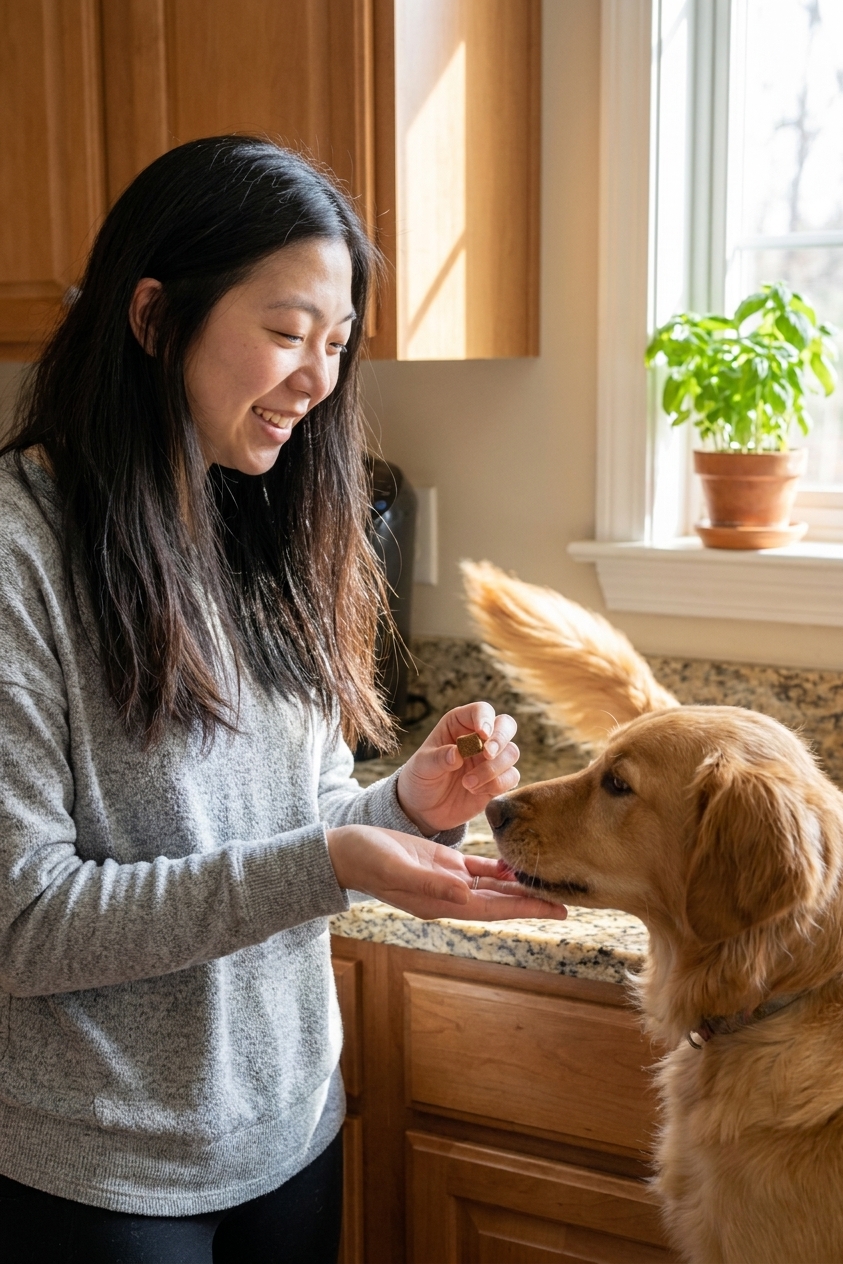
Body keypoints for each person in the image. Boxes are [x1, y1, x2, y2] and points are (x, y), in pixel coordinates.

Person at [0, 136, 564, 1263]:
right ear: (155, 318)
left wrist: (402, 805)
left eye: (339, 342)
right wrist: (332, 861)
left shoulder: (270, 533)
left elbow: (296, 830)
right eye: (286, 332)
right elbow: (24, 921)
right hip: (93, 1177)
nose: (320, 378)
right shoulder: (20, 555)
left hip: (294, 1135)